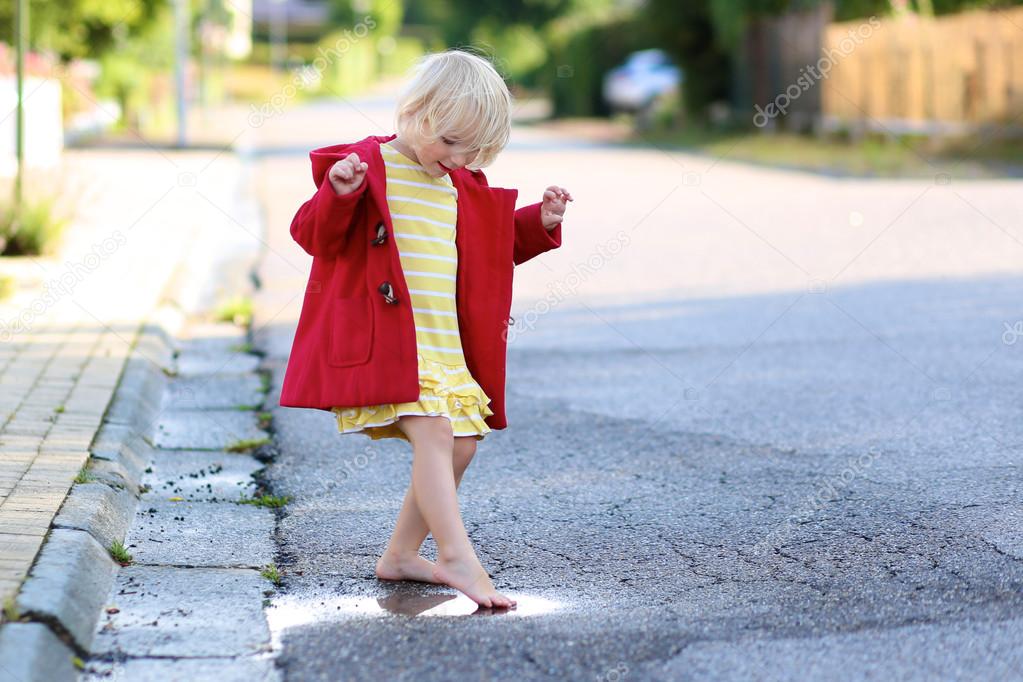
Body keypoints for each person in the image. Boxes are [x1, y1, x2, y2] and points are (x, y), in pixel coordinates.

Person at [279, 49, 573, 609]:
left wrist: (540, 222)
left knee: (463, 441)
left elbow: (493, 248)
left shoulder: (459, 185)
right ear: (416, 113)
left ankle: (401, 555)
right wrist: (337, 195)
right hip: (389, 344)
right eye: (449, 142)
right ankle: (457, 554)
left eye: (473, 150)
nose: (456, 159)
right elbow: (313, 236)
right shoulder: (368, 167)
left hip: (443, 344)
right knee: (436, 433)